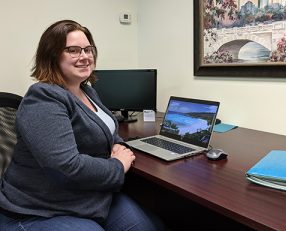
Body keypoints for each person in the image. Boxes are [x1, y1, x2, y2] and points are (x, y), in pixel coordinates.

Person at [0, 19, 164, 231]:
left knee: (149, 227)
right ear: (52, 55)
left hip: (90, 195)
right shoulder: (43, 98)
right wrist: (117, 165)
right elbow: (66, 166)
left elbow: (108, 131)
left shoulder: (87, 91)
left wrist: (119, 146)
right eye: (73, 50)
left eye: (88, 49)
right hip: (40, 208)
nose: (85, 57)